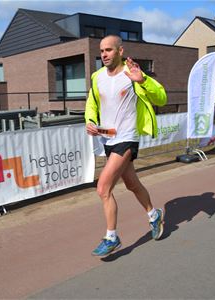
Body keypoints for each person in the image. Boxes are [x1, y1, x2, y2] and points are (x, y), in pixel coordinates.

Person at [85, 35, 167, 256]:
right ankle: (154, 215)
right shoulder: (97, 77)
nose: (104, 54)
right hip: (108, 139)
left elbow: (161, 98)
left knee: (103, 188)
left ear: (120, 51)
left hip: (127, 138)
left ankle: (111, 237)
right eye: (101, 51)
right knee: (132, 184)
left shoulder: (132, 74)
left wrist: (143, 81)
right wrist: (90, 121)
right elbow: (92, 103)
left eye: (109, 50)